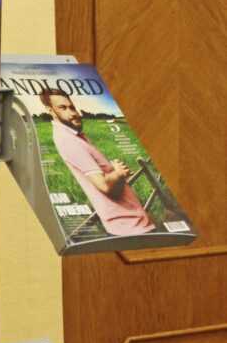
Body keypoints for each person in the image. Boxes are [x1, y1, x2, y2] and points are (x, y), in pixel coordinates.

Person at [39, 87, 155, 235]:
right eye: (63, 108)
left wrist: (113, 170)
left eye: (72, 107)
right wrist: (119, 173)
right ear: (50, 110)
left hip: (132, 221)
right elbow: (105, 186)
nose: (73, 113)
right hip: (128, 225)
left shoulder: (73, 135)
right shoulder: (69, 141)